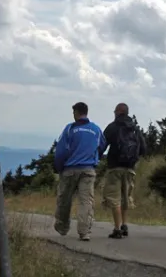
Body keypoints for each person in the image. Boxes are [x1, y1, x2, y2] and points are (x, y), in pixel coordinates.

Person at [53, 102, 105, 241]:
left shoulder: (70, 129)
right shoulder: (96, 129)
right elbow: (102, 146)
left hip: (70, 169)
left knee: (65, 199)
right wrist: (94, 157)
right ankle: (84, 232)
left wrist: (59, 167)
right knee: (86, 201)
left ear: (76, 113)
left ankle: (63, 227)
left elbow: (61, 150)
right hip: (88, 170)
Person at [100, 103, 147, 239]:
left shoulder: (112, 127)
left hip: (114, 167)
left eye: (115, 111)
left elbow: (102, 145)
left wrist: (97, 158)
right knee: (125, 197)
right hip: (130, 168)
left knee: (114, 199)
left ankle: (117, 228)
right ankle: (124, 224)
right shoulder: (134, 129)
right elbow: (143, 149)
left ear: (119, 112)